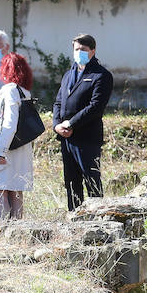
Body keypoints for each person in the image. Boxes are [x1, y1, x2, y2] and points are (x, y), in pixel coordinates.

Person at [52, 33, 113, 212]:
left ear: (92, 51)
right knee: (71, 181)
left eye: (83, 50)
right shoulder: (68, 74)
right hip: (66, 138)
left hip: (86, 137)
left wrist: (70, 124)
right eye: (76, 49)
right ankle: (75, 216)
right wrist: (57, 125)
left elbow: (95, 107)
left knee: (91, 179)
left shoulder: (101, 75)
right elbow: (58, 102)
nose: (79, 52)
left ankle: (98, 218)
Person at [0, 54, 36, 221]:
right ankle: (18, 230)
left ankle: (5, 230)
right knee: (16, 190)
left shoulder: (9, 90)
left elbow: (9, 122)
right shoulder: (24, 91)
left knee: (0, 191)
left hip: (4, 146)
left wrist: (0, 150)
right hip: (21, 147)